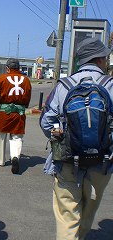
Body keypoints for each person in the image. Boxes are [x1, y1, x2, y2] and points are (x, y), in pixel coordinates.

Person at [40, 37, 113, 240]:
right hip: (102, 162)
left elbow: (46, 122)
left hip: (67, 161)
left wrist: (62, 137)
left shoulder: (64, 85)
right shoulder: (110, 85)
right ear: (100, 60)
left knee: (67, 216)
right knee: (88, 211)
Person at [0, 58, 32, 174]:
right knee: (16, 137)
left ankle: (1, 160)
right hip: (19, 113)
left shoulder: (2, 78)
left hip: (5, 111)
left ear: (8, 68)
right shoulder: (26, 80)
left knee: (1, 135)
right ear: (18, 68)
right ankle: (15, 156)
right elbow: (28, 95)